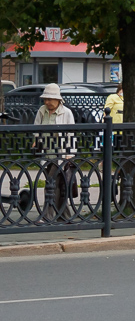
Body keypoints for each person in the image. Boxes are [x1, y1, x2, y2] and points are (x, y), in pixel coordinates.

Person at [34, 83, 77, 220]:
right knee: (58, 185)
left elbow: (71, 134)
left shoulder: (66, 112)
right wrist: (36, 140)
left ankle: (48, 216)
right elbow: (36, 128)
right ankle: (64, 216)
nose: (47, 102)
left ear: (58, 99)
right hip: (46, 153)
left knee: (50, 184)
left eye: (50, 99)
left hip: (61, 154)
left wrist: (70, 153)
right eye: (45, 99)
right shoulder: (42, 111)